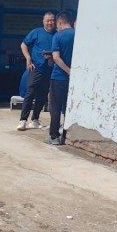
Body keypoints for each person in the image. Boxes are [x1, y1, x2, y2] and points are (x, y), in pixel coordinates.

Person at [17, 12, 56, 131]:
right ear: (43, 21)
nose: (50, 23)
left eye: (52, 20)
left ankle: (35, 119)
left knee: (42, 95)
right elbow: (23, 45)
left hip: (49, 70)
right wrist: (28, 58)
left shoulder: (57, 34)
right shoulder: (36, 32)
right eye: (47, 20)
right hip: (36, 68)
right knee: (30, 93)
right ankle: (23, 120)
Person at [47, 10, 76, 145]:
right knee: (68, 108)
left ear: (59, 22)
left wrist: (68, 71)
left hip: (59, 77)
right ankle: (65, 135)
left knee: (55, 108)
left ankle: (54, 137)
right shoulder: (77, 35)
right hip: (73, 80)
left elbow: (56, 58)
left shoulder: (57, 36)